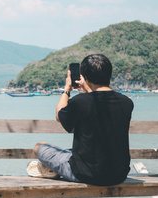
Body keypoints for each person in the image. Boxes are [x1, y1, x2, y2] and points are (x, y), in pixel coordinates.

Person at [26, 54, 134, 186]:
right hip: (119, 174)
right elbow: (98, 104)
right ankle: (54, 168)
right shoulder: (127, 103)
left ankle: (52, 169)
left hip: (86, 174)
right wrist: (87, 88)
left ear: (84, 77)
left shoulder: (79, 102)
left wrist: (67, 89)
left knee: (40, 147)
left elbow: (59, 115)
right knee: (70, 152)